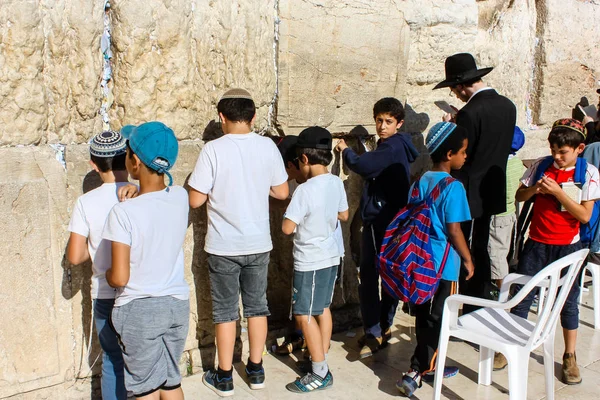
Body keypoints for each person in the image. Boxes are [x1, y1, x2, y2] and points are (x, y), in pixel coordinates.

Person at [188, 88, 289, 397]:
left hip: (223, 246)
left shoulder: (213, 150)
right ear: (253, 116)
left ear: (222, 118)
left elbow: (195, 200)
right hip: (258, 243)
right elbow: (282, 192)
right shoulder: (267, 147)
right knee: (258, 307)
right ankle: (256, 370)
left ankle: (225, 375)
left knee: (225, 311)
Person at [494, 119, 600, 384]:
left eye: (563, 152)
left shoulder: (588, 173)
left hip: (569, 246)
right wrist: (534, 189)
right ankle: (512, 345)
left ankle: (569, 356)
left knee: (568, 300)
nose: (557, 156)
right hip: (537, 243)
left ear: (579, 148)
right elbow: (520, 196)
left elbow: (585, 216)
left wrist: (560, 194)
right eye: (554, 150)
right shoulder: (541, 165)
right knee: (524, 294)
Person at [103, 121, 190, 400]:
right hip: (176, 305)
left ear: (135, 162)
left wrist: (106, 274)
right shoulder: (180, 196)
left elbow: (119, 278)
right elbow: (156, 201)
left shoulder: (123, 213)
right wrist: (137, 190)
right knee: (170, 380)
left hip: (140, 308)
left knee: (145, 388)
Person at [335, 98, 419, 358]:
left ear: (399, 123)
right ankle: (383, 324)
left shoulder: (392, 147)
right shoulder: (396, 145)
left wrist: (345, 150)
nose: (382, 126)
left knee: (370, 274)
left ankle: (374, 329)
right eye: (379, 121)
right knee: (387, 274)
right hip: (393, 218)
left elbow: (364, 166)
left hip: (382, 219)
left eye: (388, 122)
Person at [395, 122, 473, 397]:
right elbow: (454, 230)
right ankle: (418, 369)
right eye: (463, 152)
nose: (465, 157)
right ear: (449, 154)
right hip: (445, 266)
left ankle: (430, 363)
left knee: (425, 316)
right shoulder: (454, 188)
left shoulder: (420, 181)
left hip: (420, 261)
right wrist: (468, 259)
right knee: (441, 320)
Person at [434, 53, 516, 308]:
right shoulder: (507, 105)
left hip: (470, 193)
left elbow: (463, 156)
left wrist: (453, 129)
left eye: (454, 89)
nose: (455, 95)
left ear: (460, 85)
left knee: (466, 251)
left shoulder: (470, 112)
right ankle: (477, 307)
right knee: (482, 249)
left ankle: (465, 306)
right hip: (493, 190)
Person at [282, 127, 349, 393]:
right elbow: (343, 215)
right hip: (332, 256)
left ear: (305, 160)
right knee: (322, 308)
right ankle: (318, 355)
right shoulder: (335, 182)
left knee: (304, 313)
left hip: (310, 259)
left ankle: (319, 371)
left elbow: (288, 228)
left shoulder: (304, 191)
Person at [66, 131, 129, 400]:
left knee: (112, 359)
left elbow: (75, 256)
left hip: (104, 293)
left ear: (94, 164)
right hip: (139, 292)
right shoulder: (140, 193)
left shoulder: (85, 202)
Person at [488, 127, 526, 289]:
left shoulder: (499, 165)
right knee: (504, 251)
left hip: (497, 215)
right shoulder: (518, 164)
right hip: (510, 213)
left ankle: (502, 289)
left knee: (496, 255)